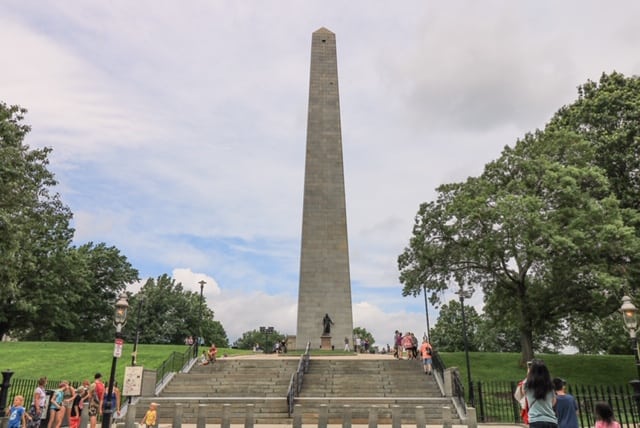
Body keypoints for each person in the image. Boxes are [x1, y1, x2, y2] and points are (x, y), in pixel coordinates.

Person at [517, 359, 557, 428]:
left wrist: (529, 370)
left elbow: (520, 394)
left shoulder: (527, 386)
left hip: (536, 421)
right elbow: (553, 402)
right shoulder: (550, 386)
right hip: (551, 420)